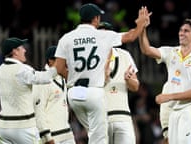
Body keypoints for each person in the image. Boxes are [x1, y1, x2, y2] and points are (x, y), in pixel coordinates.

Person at [54, 3, 150, 144]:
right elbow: (131, 36)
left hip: (120, 115)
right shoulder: (100, 38)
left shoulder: (123, 56)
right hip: (99, 109)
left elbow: (135, 86)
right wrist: (141, 24)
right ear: (96, 19)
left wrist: (74, 80)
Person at [138, 18, 191, 144]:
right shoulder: (171, 52)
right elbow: (146, 50)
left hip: (190, 110)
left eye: (186, 31)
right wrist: (142, 28)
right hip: (174, 112)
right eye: (180, 30)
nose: (181, 33)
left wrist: (169, 97)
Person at [0, 37, 57, 144]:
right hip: (23, 127)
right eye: (22, 48)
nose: (25, 50)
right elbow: (46, 78)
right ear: (14, 51)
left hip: (4, 127)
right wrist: (58, 65)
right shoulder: (22, 69)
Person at [98, 21, 140, 144]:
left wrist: (129, 80)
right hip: (100, 120)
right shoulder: (91, 60)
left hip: (123, 117)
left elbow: (135, 86)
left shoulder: (125, 55)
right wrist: (103, 79)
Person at [33, 46, 75, 144]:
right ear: (50, 61)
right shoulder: (42, 81)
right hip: (52, 136)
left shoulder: (62, 77)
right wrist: (47, 137)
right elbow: (39, 111)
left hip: (67, 133)